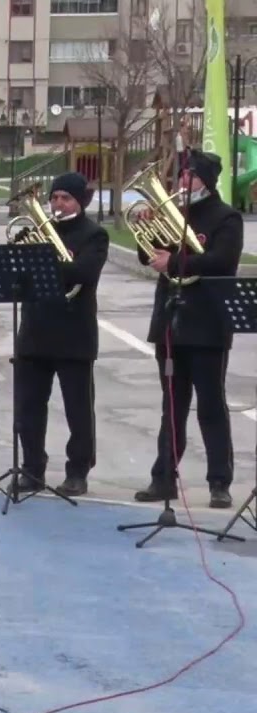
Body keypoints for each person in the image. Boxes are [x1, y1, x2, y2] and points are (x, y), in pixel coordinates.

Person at [133, 150, 242, 509]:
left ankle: (219, 482)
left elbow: (222, 261)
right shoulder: (172, 213)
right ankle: (163, 477)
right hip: (171, 322)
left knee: (211, 406)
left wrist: (176, 261)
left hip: (208, 324)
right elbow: (148, 257)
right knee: (172, 405)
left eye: (190, 175)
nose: (183, 181)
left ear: (206, 181)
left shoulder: (226, 218)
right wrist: (147, 232)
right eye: (181, 174)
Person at [11, 172, 109, 497]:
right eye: (54, 197)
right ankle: (32, 469)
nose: (57, 203)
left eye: (65, 198)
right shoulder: (37, 233)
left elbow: (84, 272)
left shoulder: (94, 235)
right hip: (35, 331)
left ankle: (78, 472)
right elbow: (18, 275)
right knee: (28, 408)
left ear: (79, 201)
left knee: (78, 411)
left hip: (74, 333)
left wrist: (43, 262)